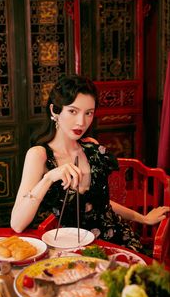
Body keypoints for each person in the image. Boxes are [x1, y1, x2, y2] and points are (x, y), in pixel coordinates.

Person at [10, 74, 170, 252]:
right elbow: (17, 224)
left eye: (89, 113)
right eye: (73, 111)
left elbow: (103, 205)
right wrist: (48, 178)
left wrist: (143, 218)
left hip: (115, 239)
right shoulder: (39, 155)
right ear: (55, 111)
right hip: (72, 247)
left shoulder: (91, 147)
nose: (81, 122)